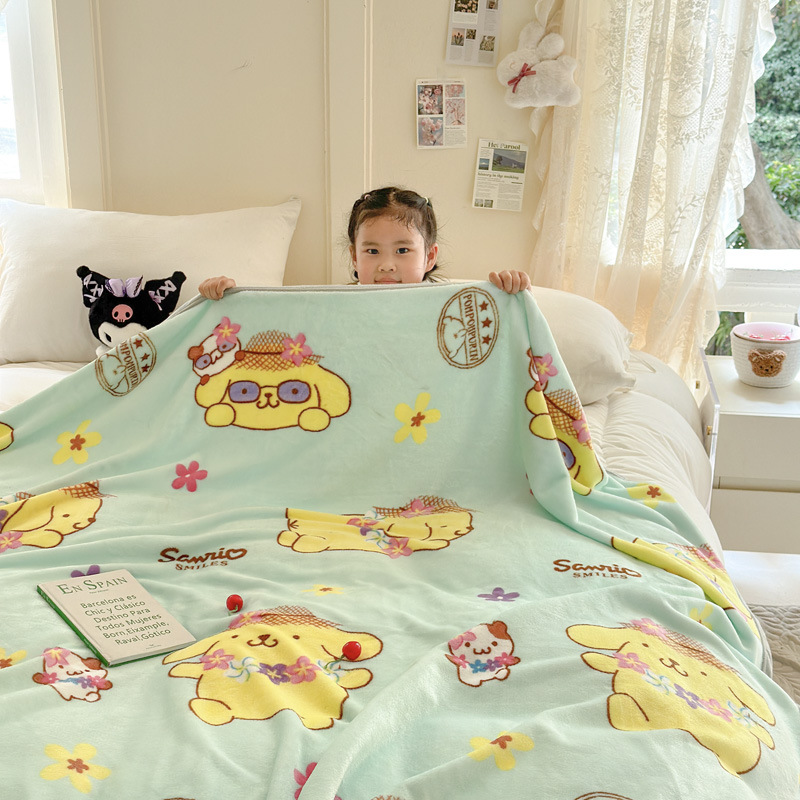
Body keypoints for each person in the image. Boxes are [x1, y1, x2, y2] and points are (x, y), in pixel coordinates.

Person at [198, 187, 531, 299]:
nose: (386, 264)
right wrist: (230, 299)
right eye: (372, 251)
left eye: (403, 250)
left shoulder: (452, 304)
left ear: (429, 257)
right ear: (355, 257)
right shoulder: (336, 304)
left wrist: (510, 293)